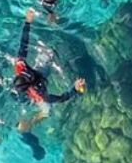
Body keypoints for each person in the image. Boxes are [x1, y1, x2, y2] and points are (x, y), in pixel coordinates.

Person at [13, 8, 86, 153]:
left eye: (26, 74)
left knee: (48, 54)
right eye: (28, 76)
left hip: (34, 81)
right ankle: (29, 127)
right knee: (47, 111)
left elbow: (23, 44)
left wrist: (27, 22)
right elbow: (61, 98)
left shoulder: (20, 67)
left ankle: (25, 127)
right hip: (36, 93)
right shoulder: (39, 93)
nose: (27, 74)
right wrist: (75, 88)